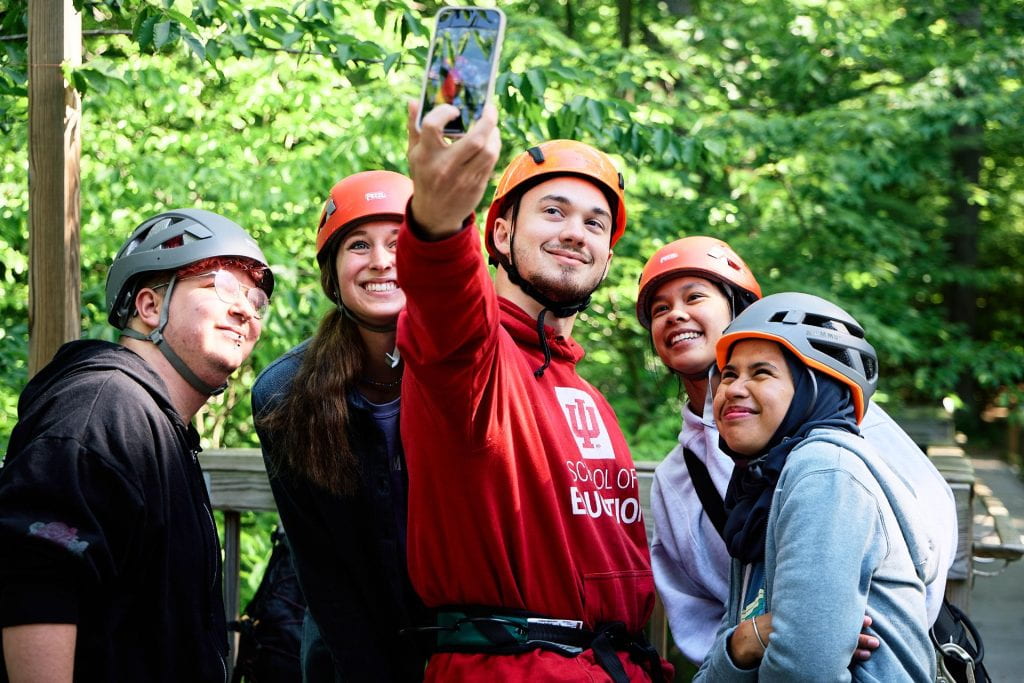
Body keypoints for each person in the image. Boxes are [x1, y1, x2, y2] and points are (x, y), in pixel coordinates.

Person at [396, 103, 671, 682]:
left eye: (595, 224)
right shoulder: (473, 359)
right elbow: (446, 297)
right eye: (553, 212)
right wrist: (440, 219)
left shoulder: (588, 394)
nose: (575, 232)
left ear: (608, 257)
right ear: (499, 231)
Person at [636, 236, 957, 664]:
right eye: (659, 309)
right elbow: (695, 606)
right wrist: (746, 650)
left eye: (694, 296)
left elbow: (928, 528)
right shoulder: (678, 476)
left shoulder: (838, 423)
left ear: (740, 310)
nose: (675, 314)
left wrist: (846, 626)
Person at [0, 209, 274, 681]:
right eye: (222, 287)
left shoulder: (158, 425)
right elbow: (35, 577)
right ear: (149, 307)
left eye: (255, 299)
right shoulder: (103, 406)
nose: (245, 309)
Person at [693, 292, 936, 680]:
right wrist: (746, 640)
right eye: (729, 374)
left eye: (761, 372)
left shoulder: (824, 472)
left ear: (815, 388)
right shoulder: (758, 491)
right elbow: (722, 660)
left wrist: (782, 643)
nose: (733, 389)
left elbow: (802, 672)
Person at [252, 171, 428, 681]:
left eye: (398, 242)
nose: (380, 260)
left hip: (463, 647)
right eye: (358, 244)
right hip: (347, 652)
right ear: (332, 274)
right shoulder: (286, 393)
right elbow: (319, 567)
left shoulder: (470, 372)